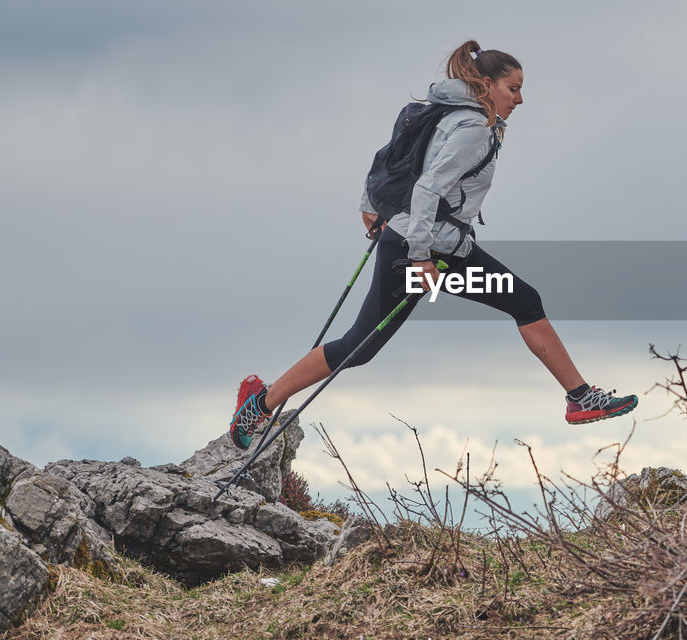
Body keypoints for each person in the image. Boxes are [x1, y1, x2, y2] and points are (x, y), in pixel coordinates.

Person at [228, 39, 638, 450]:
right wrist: (418, 256)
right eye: (513, 88)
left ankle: (580, 398)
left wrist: (372, 206)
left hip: (438, 246)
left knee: (524, 302)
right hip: (419, 249)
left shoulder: (452, 114)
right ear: (485, 83)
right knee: (359, 346)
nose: (521, 98)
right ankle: (260, 404)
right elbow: (427, 187)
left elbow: (393, 155)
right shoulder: (473, 127)